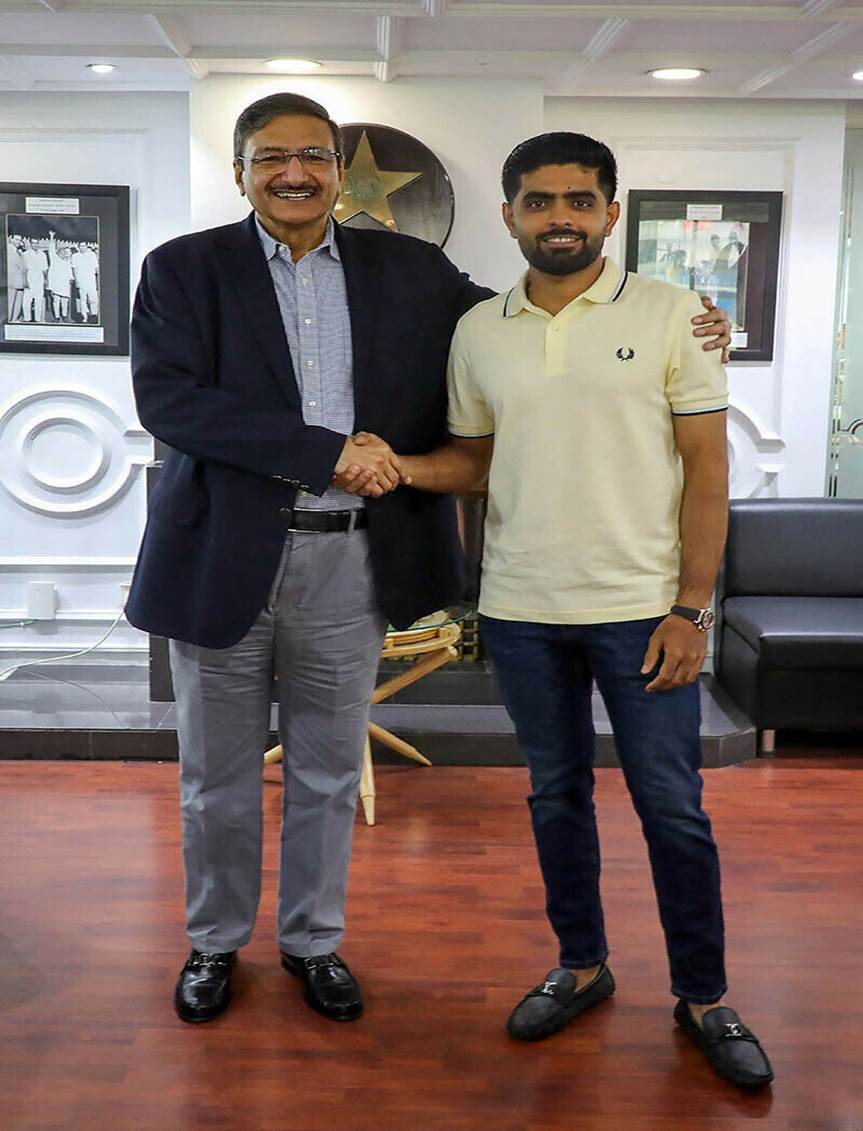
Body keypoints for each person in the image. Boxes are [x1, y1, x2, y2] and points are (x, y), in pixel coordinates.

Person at [126, 95, 731, 1028]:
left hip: (352, 562)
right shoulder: (181, 269)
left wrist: (690, 322)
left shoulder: (408, 267)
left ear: (337, 169)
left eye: (314, 157)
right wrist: (328, 451)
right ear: (240, 170)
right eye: (272, 157)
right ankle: (214, 940)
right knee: (215, 775)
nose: (295, 173)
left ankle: (311, 942)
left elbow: (523, 314)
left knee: (328, 770)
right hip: (219, 561)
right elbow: (171, 404)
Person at [391, 132, 772, 1091]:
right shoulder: (480, 330)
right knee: (554, 797)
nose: (557, 215)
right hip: (522, 611)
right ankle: (581, 965)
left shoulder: (678, 312)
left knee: (671, 808)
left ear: (609, 210)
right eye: (537, 200)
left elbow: (707, 476)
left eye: (577, 199)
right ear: (511, 213)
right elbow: (474, 464)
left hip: (642, 611)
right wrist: (398, 468)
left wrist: (692, 609)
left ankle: (703, 994)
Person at [47, 232, 74, 322]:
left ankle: (65, 316)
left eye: (64, 253)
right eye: (61, 253)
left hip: (65, 285)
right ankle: (57, 317)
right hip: (56, 285)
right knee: (56, 302)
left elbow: (70, 273)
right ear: (57, 253)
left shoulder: (67, 262)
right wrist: (51, 237)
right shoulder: (54, 259)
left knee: (65, 302)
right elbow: (51, 248)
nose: (62, 254)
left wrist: (71, 279)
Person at [21, 236, 48, 323]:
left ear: (38, 243)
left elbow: (45, 269)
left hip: (40, 277)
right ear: (30, 243)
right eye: (33, 243)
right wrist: (25, 281)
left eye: (36, 243)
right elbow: (24, 269)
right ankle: (27, 318)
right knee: (27, 300)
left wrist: (46, 280)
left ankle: (38, 319)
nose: (34, 245)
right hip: (30, 276)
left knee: (39, 299)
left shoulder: (42, 254)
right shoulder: (25, 254)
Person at [71, 240, 99, 321]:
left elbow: (96, 268)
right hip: (81, 280)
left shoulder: (92, 255)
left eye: (84, 246)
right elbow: (74, 269)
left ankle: (94, 315)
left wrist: (99, 280)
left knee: (93, 299)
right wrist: (77, 281)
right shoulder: (75, 256)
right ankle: (84, 317)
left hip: (91, 279)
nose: (82, 248)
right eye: (81, 246)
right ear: (78, 247)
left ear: (86, 247)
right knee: (83, 300)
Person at [6, 235, 26, 322]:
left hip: (19, 280)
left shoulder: (18, 251)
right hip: (12, 280)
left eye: (20, 240)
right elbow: (21, 265)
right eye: (16, 239)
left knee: (18, 301)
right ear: (10, 239)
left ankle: (14, 319)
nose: (18, 242)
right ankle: (9, 320)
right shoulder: (9, 249)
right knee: (10, 302)